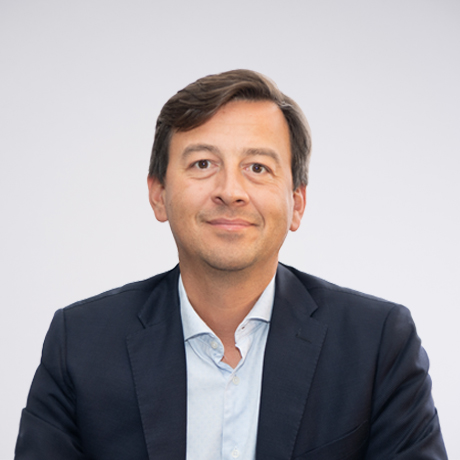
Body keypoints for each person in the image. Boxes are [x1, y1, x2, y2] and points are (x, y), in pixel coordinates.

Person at [15, 69, 447, 460]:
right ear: (158, 194)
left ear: (296, 203)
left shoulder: (377, 345)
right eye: (203, 164)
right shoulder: (81, 343)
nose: (230, 191)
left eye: (257, 167)